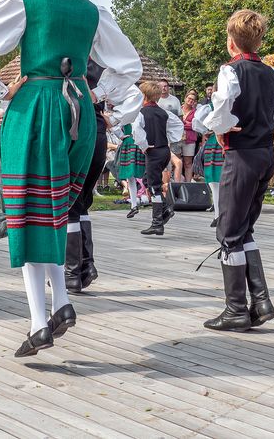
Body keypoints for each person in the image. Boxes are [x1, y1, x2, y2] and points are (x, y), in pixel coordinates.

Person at [0, 0, 141, 357]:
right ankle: (62, 303)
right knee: (54, 210)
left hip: (36, 108)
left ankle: (40, 320)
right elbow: (128, 66)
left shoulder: (26, 4)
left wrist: (0, 91)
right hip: (80, 112)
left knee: (27, 210)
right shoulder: (94, 11)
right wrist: (96, 93)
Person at [201, 9, 274, 331]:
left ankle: (236, 308)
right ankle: (260, 302)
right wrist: (271, 120)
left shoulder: (230, 71)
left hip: (242, 157)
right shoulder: (272, 74)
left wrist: (225, 125)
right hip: (264, 156)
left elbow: (221, 109)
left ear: (230, 42)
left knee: (229, 232)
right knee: (244, 228)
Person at [65, 62, 141, 293]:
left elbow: (135, 93)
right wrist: (114, 118)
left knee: (70, 202)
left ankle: (72, 272)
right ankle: (86, 265)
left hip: (75, 129)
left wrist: (115, 118)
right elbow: (135, 93)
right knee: (82, 201)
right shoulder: (101, 66)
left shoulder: (67, 61)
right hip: (96, 130)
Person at [133, 81, 184, 235]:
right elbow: (177, 125)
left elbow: (136, 130)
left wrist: (144, 145)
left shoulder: (141, 113)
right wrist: (169, 138)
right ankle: (165, 209)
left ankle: (158, 222)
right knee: (148, 180)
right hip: (164, 151)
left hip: (153, 151)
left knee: (154, 186)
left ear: (143, 96)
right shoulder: (164, 112)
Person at [192, 87, 227, 228]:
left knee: (216, 180)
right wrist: (208, 130)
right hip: (224, 141)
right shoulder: (231, 104)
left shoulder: (210, 107)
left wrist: (207, 130)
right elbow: (197, 123)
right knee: (216, 179)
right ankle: (219, 214)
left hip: (216, 141)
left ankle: (219, 215)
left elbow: (196, 123)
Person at [115, 122, 146, 218]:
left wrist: (120, 135)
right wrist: (120, 135)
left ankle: (134, 205)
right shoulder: (139, 111)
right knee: (142, 173)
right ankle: (135, 205)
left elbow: (112, 124)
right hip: (140, 142)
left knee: (131, 176)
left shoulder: (126, 111)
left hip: (130, 142)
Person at [180, 90, 199, 181]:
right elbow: (174, 123)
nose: (191, 101)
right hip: (177, 139)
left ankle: (188, 183)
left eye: (193, 100)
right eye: (189, 98)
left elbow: (196, 126)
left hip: (190, 140)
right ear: (185, 98)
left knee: (188, 163)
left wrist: (183, 123)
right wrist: (189, 123)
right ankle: (178, 182)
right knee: (178, 162)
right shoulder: (178, 108)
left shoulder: (196, 112)